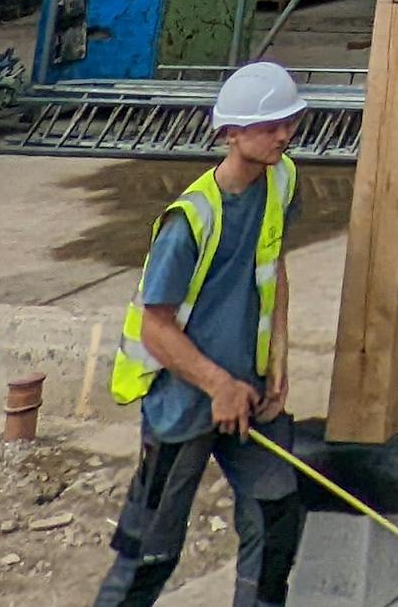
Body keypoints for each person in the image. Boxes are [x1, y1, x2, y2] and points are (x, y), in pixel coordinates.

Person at [93, 60, 312, 607]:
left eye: (289, 122)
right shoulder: (189, 220)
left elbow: (274, 263)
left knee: (276, 521)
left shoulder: (281, 181)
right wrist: (218, 386)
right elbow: (156, 329)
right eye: (269, 126)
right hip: (184, 403)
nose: (283, 135)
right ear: (231, 134)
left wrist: (277, 360)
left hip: (250, 395)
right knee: (150, 550)